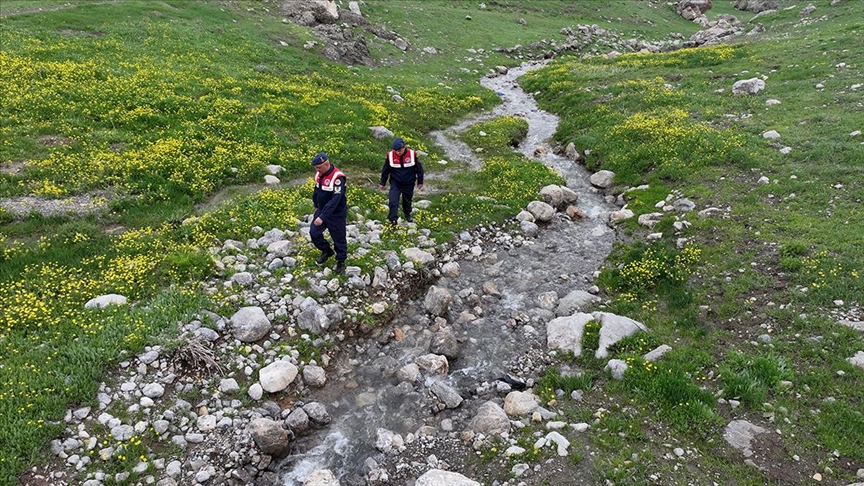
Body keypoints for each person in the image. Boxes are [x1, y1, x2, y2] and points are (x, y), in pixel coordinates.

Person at [310, 152, 347, 274]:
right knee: (314, 233)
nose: (317, 170)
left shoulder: (338, 178)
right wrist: (316, 204)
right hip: (322, 209)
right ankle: (326, 250)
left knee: (338, 237)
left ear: (327, 164)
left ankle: (341, 261)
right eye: (316, 168)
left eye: (319, 167)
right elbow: (317, 190)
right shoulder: (319, 174)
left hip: (336, 213)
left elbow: (335, 200)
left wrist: (322, 217)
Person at [379, 137, 424, 224]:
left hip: (409, 183)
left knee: (407, 201)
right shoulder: (390, 156)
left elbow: (419, 170)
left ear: (404, 147)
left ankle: (407, 214)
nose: (398, 153)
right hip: (396, 183)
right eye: (396, 151)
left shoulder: (412, 154)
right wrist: (382, 183)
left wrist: (420, 182)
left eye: (400, 150)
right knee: (393, 201)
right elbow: (385, 170)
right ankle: (393, 219)